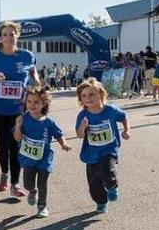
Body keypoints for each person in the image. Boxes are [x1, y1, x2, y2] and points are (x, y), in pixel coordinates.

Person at [0, 21, 40, 197]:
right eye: (4, 34)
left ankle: (15, 183)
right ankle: (4, 173)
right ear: (0, 37)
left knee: (15, 145)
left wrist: (36, 82)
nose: (8, 37)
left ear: (17, 35)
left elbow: (33, 74)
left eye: (11, 34)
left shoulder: (27, 55)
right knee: (3, 144)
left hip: (19, 109)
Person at [13, 86, 71, 218]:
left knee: (42, 184)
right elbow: (17, 138)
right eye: (29, 101)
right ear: (25, 103)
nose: (32, 105)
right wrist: (17, 126)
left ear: (43, 104)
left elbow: (58, 134)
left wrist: (64, 144)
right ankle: (32, 191)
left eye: (36, 102)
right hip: (28, 158)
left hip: (45, 158)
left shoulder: (48, 122)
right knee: (28, 184)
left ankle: (42, 206)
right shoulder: (23, 119)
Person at [75, 78, 131, 213]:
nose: (88, 98)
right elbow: (79, 135)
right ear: (81, 99)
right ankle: (101, 202)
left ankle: (112, 187)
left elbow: (123, 116)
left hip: (108, 149)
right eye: (84, 96)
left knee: (108, 171)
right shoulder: (83, 115)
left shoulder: (110, 110)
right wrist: (82, 128)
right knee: (94, 182)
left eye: (91, 94)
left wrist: (126, 129)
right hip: (91, 153)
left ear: (101, 94)